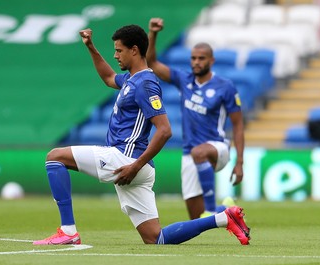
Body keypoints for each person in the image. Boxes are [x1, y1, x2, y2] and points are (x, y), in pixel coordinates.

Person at [33, 24, 250, 246]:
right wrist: (91, 47)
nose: (115, 55)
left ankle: (68, 230)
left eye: (119, 50)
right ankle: (223, 218)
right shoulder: (131, 79)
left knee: (55, 157)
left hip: (125, 158)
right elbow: (108, 77)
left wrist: (135, 165)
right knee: (156, 238)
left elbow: (165, 130)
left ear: (134, 50)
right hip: (135, 165)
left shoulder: (145, 84)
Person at [146, 18, 245, 220]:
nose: (196, 62)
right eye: (193, 58)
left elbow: (238, 124)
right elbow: (152, 64)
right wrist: (153, 34)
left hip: (217, 148)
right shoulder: (185, 80)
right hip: (189, 152)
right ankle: (225, 210)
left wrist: (239, 162)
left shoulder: (225, 87)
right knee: (197, 217)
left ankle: (210, 207)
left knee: (199, 152)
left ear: (212, 61)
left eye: (201, 58)